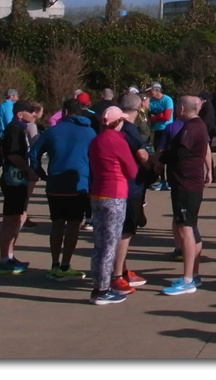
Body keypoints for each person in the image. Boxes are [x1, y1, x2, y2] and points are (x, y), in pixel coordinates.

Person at [29, 98, 96, 280]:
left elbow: (33, 154)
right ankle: (65, 265)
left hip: (55, 184)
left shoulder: (52, 131)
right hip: (78, 183)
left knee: (57, 224)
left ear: (64, 112)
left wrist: (42, 174)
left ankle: (55, 264)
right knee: (74, 225)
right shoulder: (89, 132)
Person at [156, 96, 212, 295]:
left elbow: (178, 153)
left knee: (186, 229)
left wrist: (159, 158)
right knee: (191, 228)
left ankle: (188, 279)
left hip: (186, 184)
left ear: (181, 108)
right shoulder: (198, 126)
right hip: (189, 183)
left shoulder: (192, 127)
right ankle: (193, 274)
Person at [87, 105, 138, 305]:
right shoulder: (118, 142)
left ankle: (98, 285)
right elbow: (132, 171)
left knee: (100, 244)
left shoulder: (96, 141)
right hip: (115, 194)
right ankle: (102, 290)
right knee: (109, 244)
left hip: (98, 193)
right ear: (118, 122)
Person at [110, 91, 154, 293]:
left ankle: (122, 269)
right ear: (140, 107)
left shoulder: (116, 126)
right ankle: (117, 274)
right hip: (130, 185)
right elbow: (143, 155)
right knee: (125, 231)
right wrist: (154, 167)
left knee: (123, 229)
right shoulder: (130, 129)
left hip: (120, 183)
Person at [0, 100, 42, 274]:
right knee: (10, 219)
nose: (34, 114)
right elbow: (13, 155)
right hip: (13, 179)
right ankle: (4, 259)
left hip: (17, 179)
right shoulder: (14, 129)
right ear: (20, 114)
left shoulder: (18, 128)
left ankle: (9, 255)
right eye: (31, 112)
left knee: (16, 218)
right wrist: (28, 170)